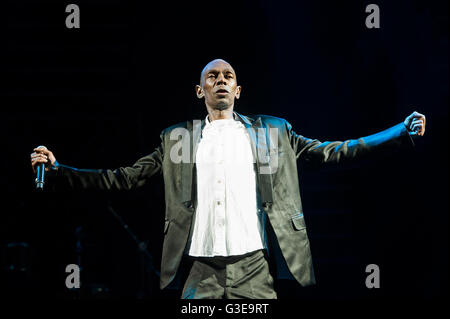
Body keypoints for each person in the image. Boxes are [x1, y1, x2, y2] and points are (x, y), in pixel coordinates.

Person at [30, 59, 426, 299]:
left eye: (228, 75)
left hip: (254, 268)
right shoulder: (177, 138)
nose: (220, 79)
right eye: (212, 76)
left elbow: (334, 150)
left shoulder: (273, 131)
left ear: (238, 88)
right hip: (199, 271)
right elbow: (124, 178)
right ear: (199, 89)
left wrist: (398, 133)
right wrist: (62, 171)